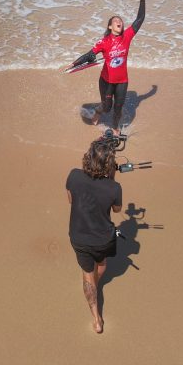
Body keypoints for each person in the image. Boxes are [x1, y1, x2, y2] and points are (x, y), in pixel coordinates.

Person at [68, 0, 146, 134]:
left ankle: (115, 127)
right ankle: (98, 111)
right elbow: (90, 55)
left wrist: (142, 0)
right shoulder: (104, 42)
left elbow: (140, 19)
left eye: (121, 20)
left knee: (118, 108)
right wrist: (75, 64)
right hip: (107, 81)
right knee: (107, 106)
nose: (119, 22)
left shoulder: (127, 36)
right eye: (116, 20)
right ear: (110, 26)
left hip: (122, 81)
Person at [65, 139, 123, 333]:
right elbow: (117, 209)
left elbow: (70, 199)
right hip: (103, 238)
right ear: (109, 164)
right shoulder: (114, 188)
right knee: (102, 265)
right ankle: (93, 285)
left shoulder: (74, 175)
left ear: (88, 158)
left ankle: (97, 319)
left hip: (78, 236)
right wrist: (112, 179)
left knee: (87, 273)